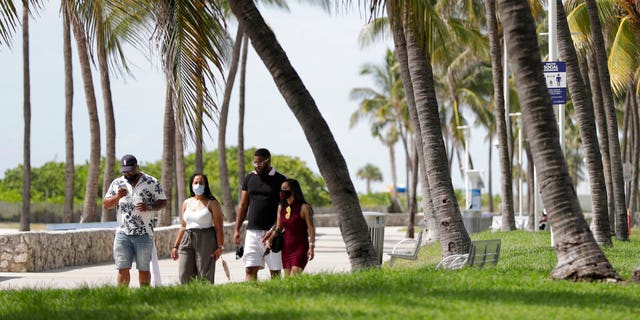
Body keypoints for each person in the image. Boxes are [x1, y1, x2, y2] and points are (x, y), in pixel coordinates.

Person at [103, 154, 167, 287]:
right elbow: (106, 204)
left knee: (143, 268)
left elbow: (163, 201)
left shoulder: (151, 182)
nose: (127, 173)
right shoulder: (117, 183)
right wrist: (117, 197)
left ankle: (144, 296)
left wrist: (149, 207)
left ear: (137, 167)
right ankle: (122, 297)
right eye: (124, 171)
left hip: (144, 234)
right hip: (122, 234)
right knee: (122, 268)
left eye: (130, 170)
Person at [234, 148, 287, 281]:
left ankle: (275, 300)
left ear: (268, 161)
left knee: (275, 271)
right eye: (255, 163)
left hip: (273, 233)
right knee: (250, 268)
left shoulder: (281, 180)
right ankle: (251, 298)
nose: (257, 165)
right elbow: (243, 205)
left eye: (260, 162)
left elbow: (284, 208)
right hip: (252, 232)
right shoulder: (249, 178)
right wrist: (237, 230)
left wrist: (274, 230)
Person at [170, 173, 224, 284]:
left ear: (206, 185)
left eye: (201, 183)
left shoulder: (212, 203)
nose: (198, 185)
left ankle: (205, 298)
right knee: (184, 274)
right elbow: (183, 226)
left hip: (206, 239)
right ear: (191, 185)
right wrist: (175, 246)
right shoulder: (186, 203)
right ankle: (189, 298)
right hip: (187, 239)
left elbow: (219, 228)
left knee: (204, 275)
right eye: (196, 182)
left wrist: (220, 246)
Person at [265, 179, 316, 276]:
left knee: (294, 276)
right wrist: (270, 240)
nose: (282, 191)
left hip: (300, 248)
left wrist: (312, 246)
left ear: (293, 190)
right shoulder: (281, 207)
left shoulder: (304, 207)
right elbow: (278, 227)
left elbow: (311, 228)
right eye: (281, 189)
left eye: (285, 188)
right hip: (286, 248)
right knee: (288, 280)